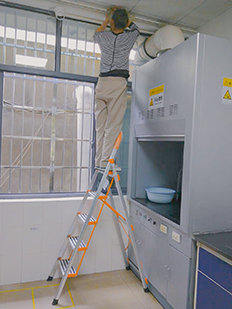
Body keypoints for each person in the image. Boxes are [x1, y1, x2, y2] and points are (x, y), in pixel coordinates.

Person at [93, 6, 139, 170]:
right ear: (125, 23)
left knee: (100, 127)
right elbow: (136, 29)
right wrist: (128, 19)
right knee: (113, 125)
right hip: (117, 83)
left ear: (111, 22)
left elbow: (96, 34)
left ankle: (99, 161)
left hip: (102, 84)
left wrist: (106, 18)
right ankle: (105, 162)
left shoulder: (103, 37)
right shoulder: (129, 37)